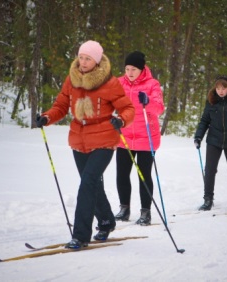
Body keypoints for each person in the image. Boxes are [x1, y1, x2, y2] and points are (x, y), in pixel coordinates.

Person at [36, 40, 135, 249]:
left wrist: (121, 120)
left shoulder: (109, 83)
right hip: (78, 140)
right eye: (81, 57)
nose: (82, 61)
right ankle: (107, 221)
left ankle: (80, 235)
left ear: (97, 61)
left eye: (88, 58)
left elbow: (127, 108)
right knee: (92, 184)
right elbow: (61, 106)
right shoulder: (72, 80)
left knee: (87, 183)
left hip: (104, 140)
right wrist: (47, 117)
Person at [114, 51, 165, 225]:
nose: (129, 72)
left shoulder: (152, 84)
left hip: (146, 138)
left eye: (133, 69)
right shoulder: (119, 83)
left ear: (142, 69)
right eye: (127, 69)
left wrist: (148, 101)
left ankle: (145, 212)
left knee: (144, 175)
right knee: (121, 175)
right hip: (124, 137)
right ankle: (124, 208)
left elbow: (159, 108)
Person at [194, 76, 227, 211]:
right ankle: (208, 200)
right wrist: (198, 137)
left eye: (223, 88)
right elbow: (204, 121)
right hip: (214, 140)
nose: (221, 91)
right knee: (210, 170)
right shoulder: (211, 101)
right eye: (218, 88)